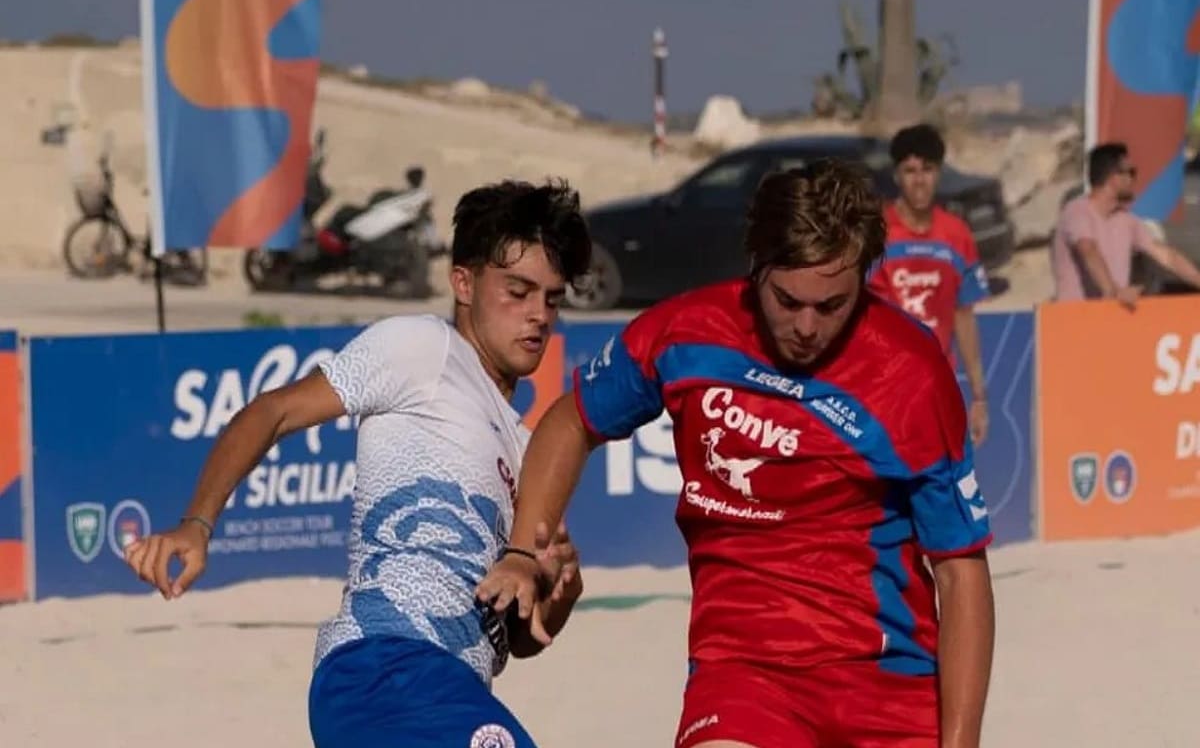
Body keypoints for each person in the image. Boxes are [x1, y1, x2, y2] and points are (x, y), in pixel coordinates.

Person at [477, 159, 996, 748]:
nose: (806, 325)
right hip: (743, 675)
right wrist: (522, 550)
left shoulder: (911, 371)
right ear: (756, 266)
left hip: (886, 683)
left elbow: (960, 575)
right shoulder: (687, 333)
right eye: (787, 299)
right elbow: (572, 420)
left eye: (831, 306)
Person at [123, 179, 594, 748]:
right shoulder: (423, 349)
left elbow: (516, 637)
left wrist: (557, 595)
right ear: (463, 282)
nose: (539, 315)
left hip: (449, 688)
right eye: (518, 291)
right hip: (384, 665)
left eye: (551, 298)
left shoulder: (526, 450)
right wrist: (198, 524)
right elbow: (273, 412)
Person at [867, 123, 991, 446]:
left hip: (937, 387)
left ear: (938, 174)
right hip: (883, 388)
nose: (919, 180)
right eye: (909, 171)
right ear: (896, 176)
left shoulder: (957, 234)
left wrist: (978, 396)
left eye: (927, 170)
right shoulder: (875, 234)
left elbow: (964, 317)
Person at [1052, 141, 1200, 308]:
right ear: (1113, 177)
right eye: (1131, 172)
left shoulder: (1126, 220)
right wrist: (1114, 291)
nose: (1133, 179)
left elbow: (1167, 257)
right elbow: (1088, 250)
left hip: (1112, 318)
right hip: (1072, 321)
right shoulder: (1077, 211)